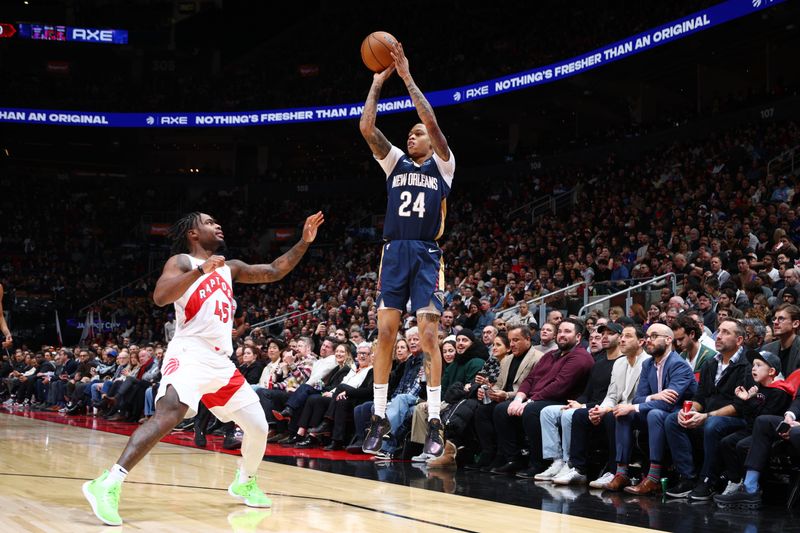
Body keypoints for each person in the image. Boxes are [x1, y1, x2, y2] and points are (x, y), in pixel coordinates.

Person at [82, 210, 324, 526]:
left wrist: (304, 242)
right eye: (208, 222)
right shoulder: (182, 262)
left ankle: (245, 481)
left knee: (258, 426)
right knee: (169, 413)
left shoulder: (230, 267)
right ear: (193, 234)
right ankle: (108, 483)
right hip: (190, 353)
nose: (217, 224)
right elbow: (159, 297)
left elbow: (274, 270)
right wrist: (199, 272)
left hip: (221, 362)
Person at [359, 39, 454, 458]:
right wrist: (379, 83)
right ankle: (379, 417)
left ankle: (434, 418)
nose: (411, 137)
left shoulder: (444, 163)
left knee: (429, 336)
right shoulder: (395, 161)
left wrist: (407, 76)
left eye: (416, 134)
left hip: (426, 255)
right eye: (410, 134)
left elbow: (430, 121)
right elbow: (366, 128)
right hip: (394, 252)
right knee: (384, 333)